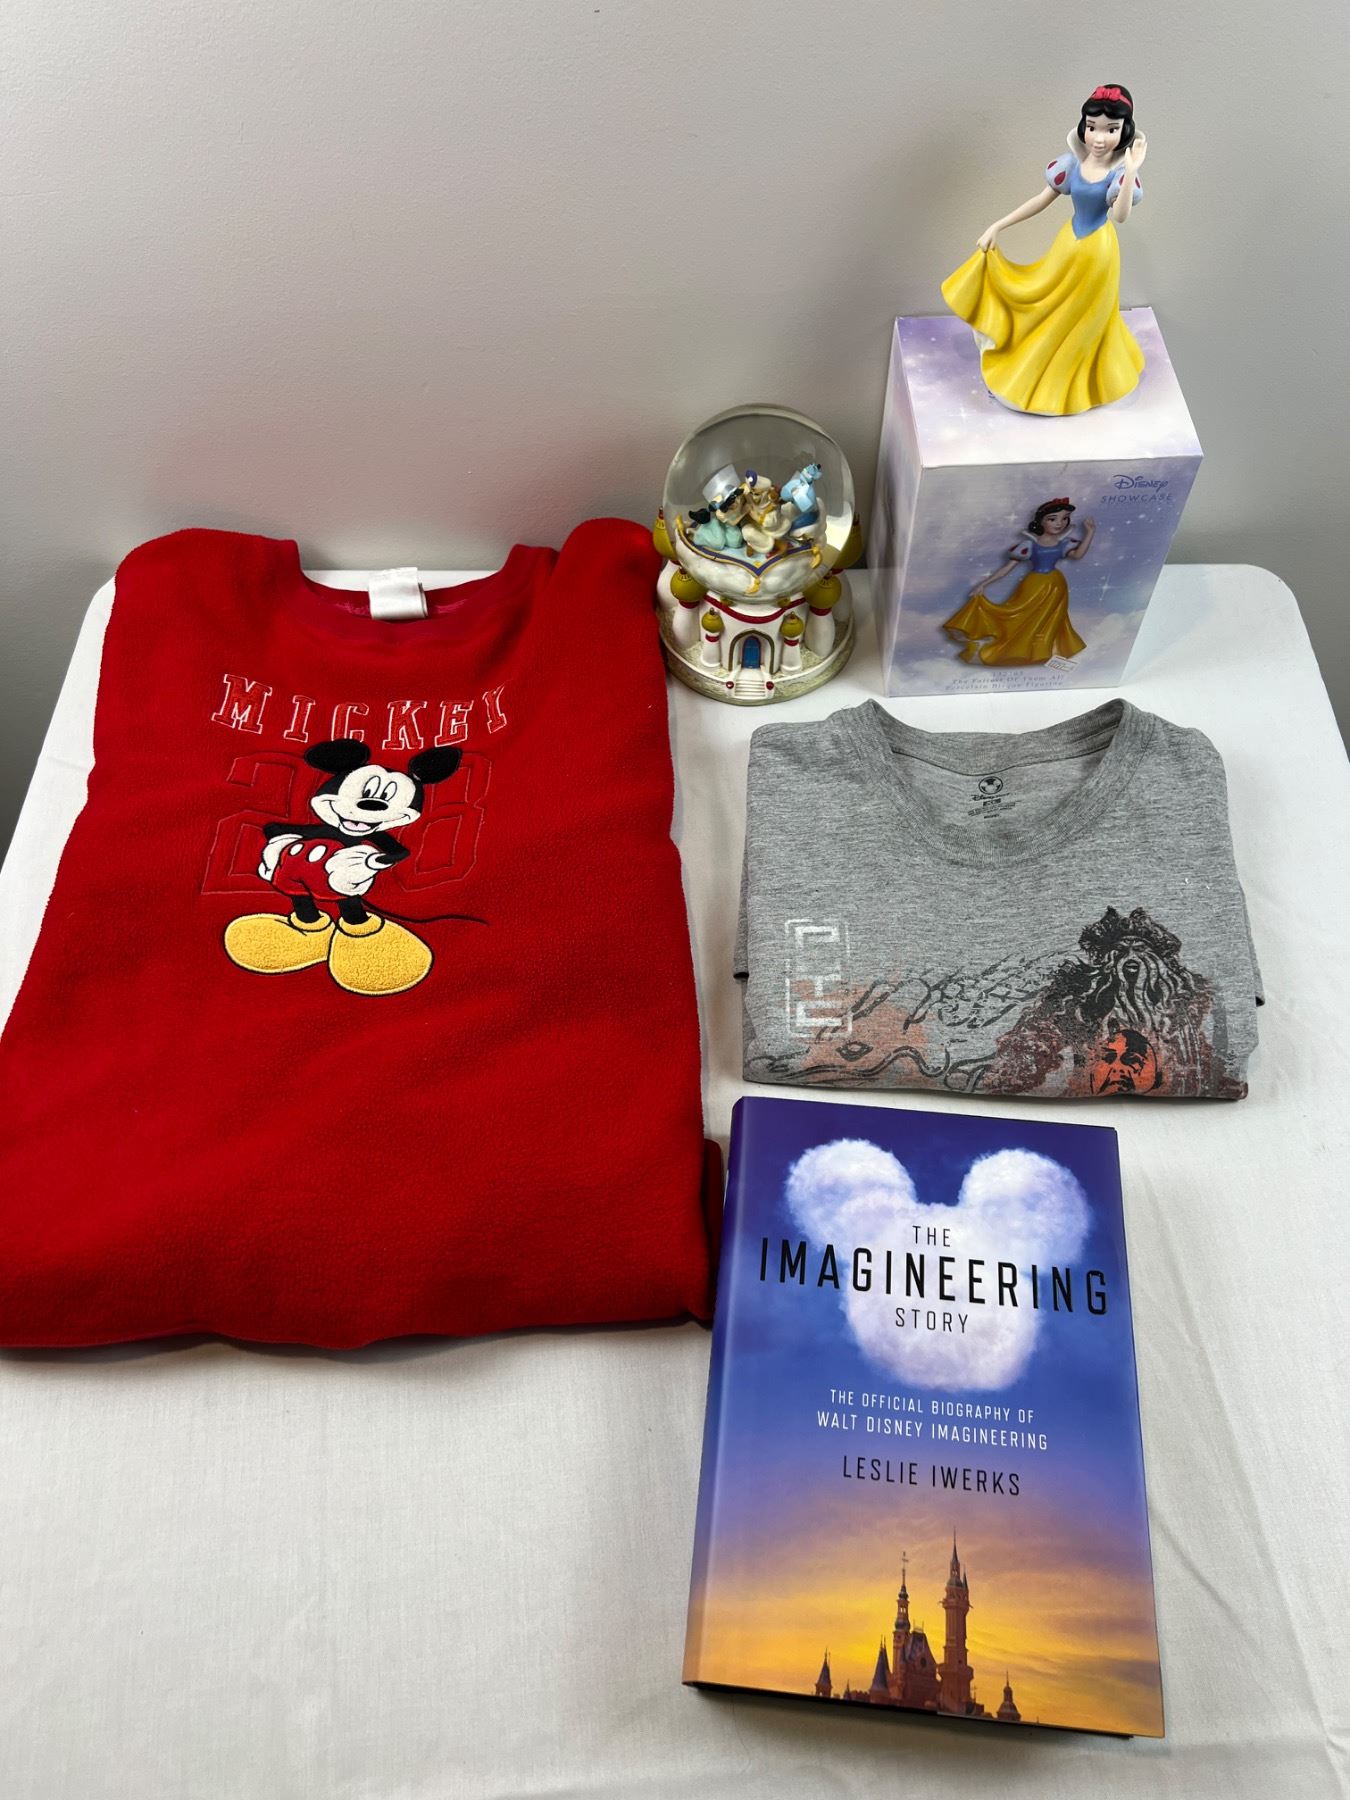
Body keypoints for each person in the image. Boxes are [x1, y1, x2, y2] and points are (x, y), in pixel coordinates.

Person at [941, 84, 1148, 414]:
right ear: (1083, 127)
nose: (1099, 138)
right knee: (1039, 299)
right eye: (1092, 127)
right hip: (1068, 247)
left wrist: (1132, 169)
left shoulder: (1119, 174)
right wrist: (998, 225)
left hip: (1098, 254)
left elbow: (1121, 216)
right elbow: (1040, 201)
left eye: (1111, 130)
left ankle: (1071, 384)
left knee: (1085, 321)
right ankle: (1033, 369)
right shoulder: (1072, 165)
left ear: (1123, 132)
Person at [943, 499, 1094, 665]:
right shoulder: (1029, 545)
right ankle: (1003, 646)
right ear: (1040, 521)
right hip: (1034, 585)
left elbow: (1077, 555)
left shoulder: (1065, 543)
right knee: (1018, 614)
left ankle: (1041, 652)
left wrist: (1089, 533)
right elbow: (1006, 569)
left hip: (1056, 586)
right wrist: (983, 584)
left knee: (1051, 619)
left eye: (1064, 518)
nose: (1059, 523)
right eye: (1052, 519)